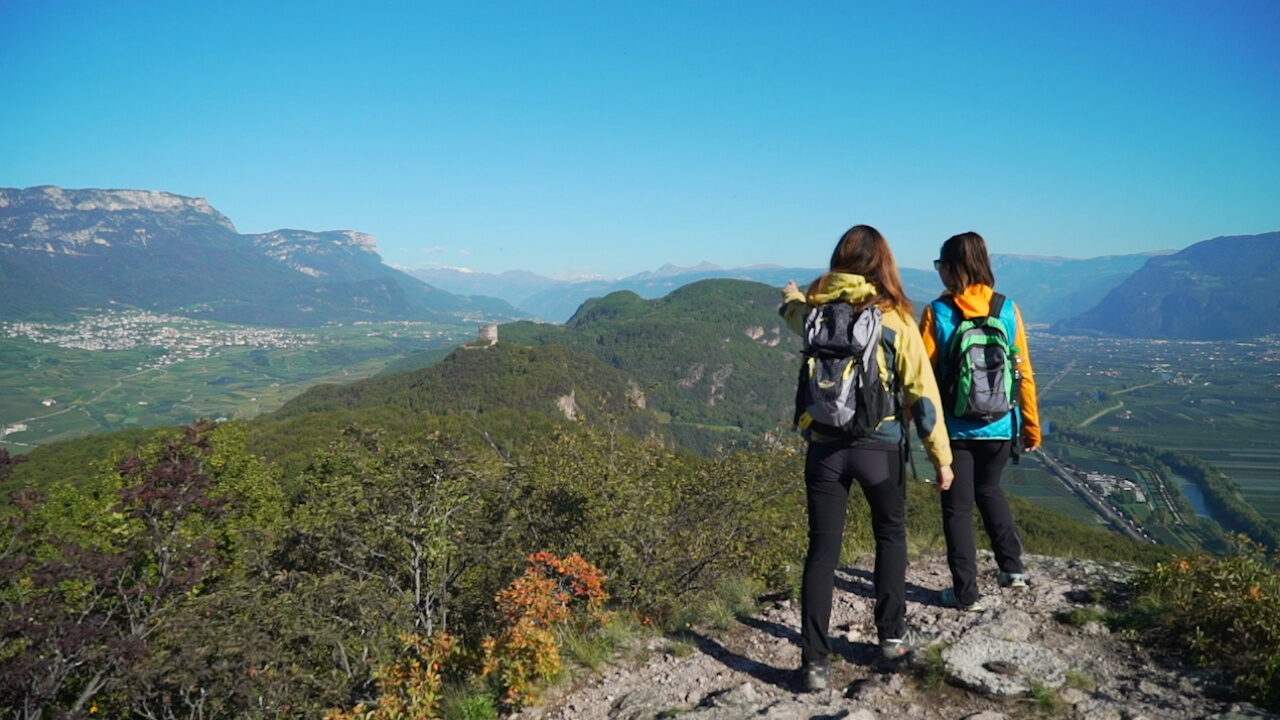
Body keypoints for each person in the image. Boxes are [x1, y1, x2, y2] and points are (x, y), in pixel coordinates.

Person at [780, 224, 954, 692]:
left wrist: (793, 295)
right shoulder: (894, 318)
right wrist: (942, 458)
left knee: (822, 550)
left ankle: (815, 663)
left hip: (825, 450)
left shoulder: (816, 314)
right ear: (883, 265)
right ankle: (892, 638)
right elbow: (923, 392)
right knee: (890, 537)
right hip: (881, 449)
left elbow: (790, 313)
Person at [920, 231, 1042, 613]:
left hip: (955, 430)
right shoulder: (1008, 309)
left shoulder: (937, 312)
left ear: (953, 268)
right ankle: (1013, 569)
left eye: (942, 265)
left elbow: (921, 378)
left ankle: (966, 592)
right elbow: (1024, 373)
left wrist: (920, 426)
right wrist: (1031, 426)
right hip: (1002, 425)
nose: (940, 273)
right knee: (990, 492)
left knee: (957, 509)